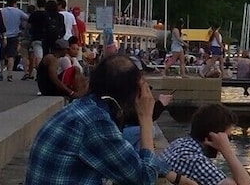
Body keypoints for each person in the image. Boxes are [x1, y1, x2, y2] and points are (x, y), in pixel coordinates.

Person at [27, 54, 175, 184]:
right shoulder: (96, 122)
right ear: (132, 93)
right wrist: (146, 117)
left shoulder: (84, 107)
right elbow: (144, 178)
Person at [164, 103, 250, 185]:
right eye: (227, 138)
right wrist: (227, 151)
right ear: (212, 136)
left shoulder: (179, 143)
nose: (227, 142)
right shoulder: (196, 162)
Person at [1, 0, 27, 81]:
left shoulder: (2, 11)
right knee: (11, 56)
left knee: (1, 56)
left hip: (2, 35)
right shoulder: (18, 11)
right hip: (14, 36)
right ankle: (10, 74)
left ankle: (0, 73)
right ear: (15, 4)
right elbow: (27, 18)